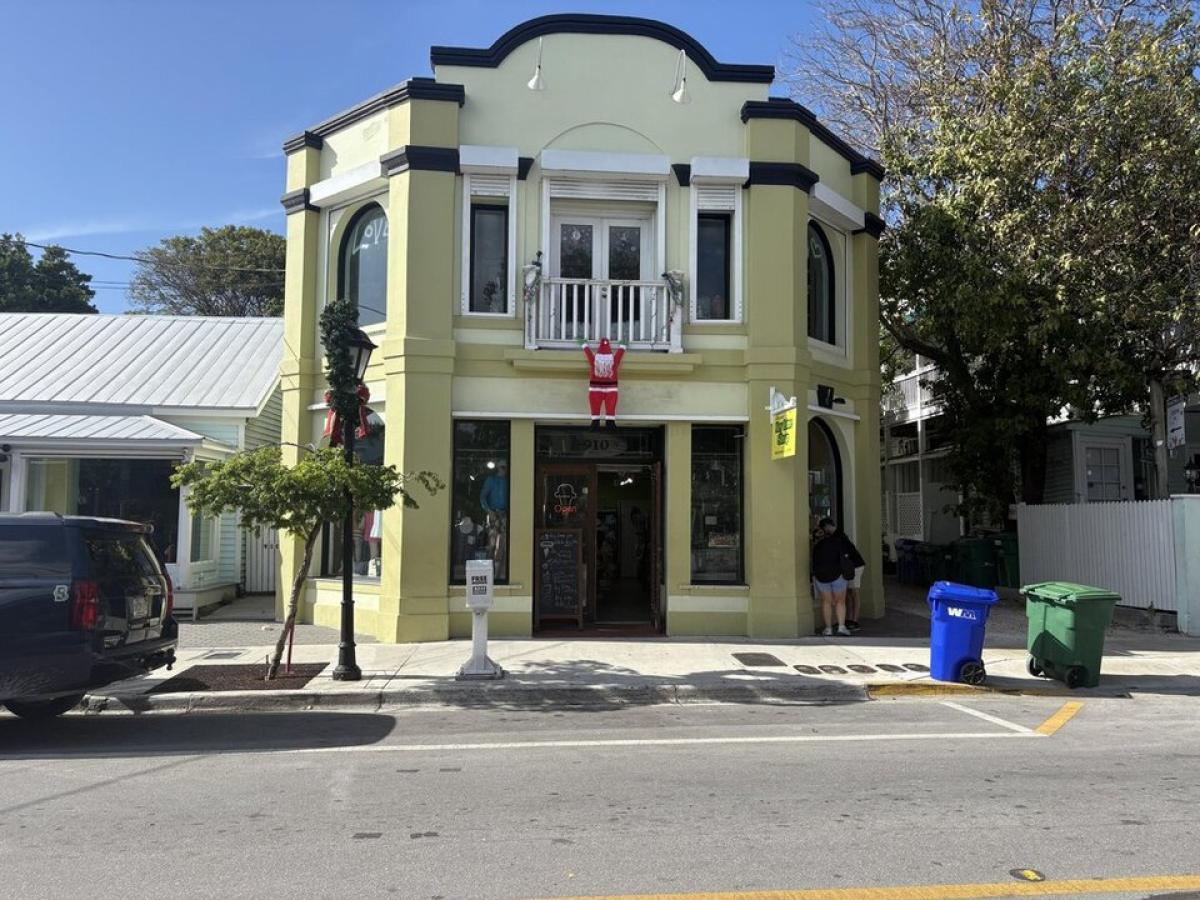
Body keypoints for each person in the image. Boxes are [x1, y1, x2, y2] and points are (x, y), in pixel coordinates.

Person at [811, 517, 853, 636]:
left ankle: (828, 628)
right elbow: (845, 557)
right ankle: (841, 627)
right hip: (838, 575)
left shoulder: (817, 546)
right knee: (840, 602)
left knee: (826, 602)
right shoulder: (838, 543)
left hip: (822, 576)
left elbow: (814, 561)